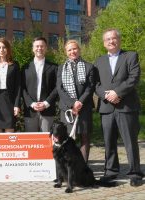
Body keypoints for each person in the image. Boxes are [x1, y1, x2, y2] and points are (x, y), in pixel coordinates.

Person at [95, 29, 143, 186]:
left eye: (113, 38)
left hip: (126, 107)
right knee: (109, 142)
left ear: (119, 40)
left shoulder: (130, 56)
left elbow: (134, 78)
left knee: (130, 141)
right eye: (107, 39)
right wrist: (106, 95)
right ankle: (110, 171)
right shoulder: (99, 60)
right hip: (107, 107)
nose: (111, 41)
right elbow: (95, 83)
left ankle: (135, 173)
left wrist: (118, 93)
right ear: (104, 43)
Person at [56, 40, 95, 163]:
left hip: (84, 108)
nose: (72, 52)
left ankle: (83, 168)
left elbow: (90, 87)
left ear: (79, 49)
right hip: (67, 109)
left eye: (74, 49)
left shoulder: (89, 67)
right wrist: (72, 104)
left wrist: (79, 102)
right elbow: (59, 88)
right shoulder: (61, 68)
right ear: (66, 52)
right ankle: (69, 168)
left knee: (84, 138)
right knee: (66, 139)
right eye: (69, 50)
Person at [22, 37, 58, 132]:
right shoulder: (25, 68)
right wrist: (31, 103)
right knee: (31, 142)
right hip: (30, 110)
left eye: (42, 46)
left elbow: (57, 87)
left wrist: (46, 103)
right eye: (37, 46)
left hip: (47, 110)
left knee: (46, 141)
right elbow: (22, 88)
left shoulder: (54, 67)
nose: (39, 48)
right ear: (33, 49)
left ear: (46, 48)